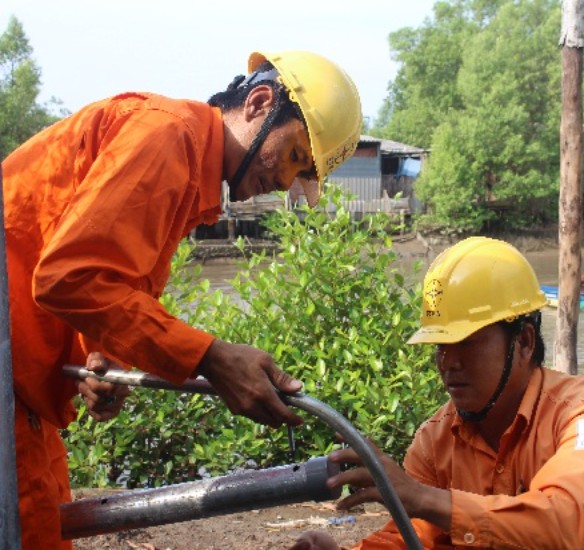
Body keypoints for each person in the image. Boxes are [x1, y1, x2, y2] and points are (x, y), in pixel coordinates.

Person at [1, 49, 361, 549]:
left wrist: (99, 358)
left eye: (300, 176)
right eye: (295, 155)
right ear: (259, 102)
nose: (283, 182)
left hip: (22, 393)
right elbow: (66, 278)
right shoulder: (167, 136)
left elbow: (107, 281)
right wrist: (212, 358)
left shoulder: (189, 173)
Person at [292, 237, 584, 549]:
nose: (448, 362)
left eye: (466, 343)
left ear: (525, 341)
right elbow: (411, 538)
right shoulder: (435, 441)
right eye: (440, 345)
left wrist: (421, 498)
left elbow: (562, 523)